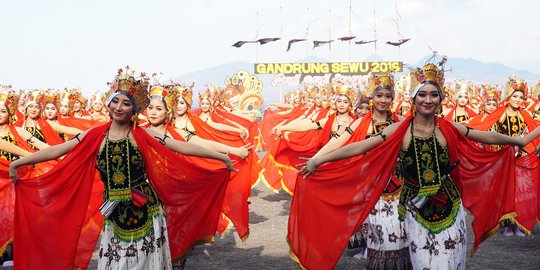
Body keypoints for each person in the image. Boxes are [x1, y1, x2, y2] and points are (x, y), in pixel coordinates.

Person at [290, 63, 540, 270]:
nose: (428, 100)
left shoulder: (447, 127)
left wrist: (516, 140)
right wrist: (317, 160)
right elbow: (359, 147)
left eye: (434, 94)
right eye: (422, 94)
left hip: (451, 209)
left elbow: (482, 135)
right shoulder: (400, 129)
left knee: (452, 263)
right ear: (413, 98)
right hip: (414, 208)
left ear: (440, 98)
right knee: (423, 264)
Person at [9, 69, 236, 270]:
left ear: (134, 109)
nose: (119, 107)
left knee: (145, 262)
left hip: (146, 210)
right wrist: (18, 163)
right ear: (109, 104)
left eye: (126, 103)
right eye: (115, 102)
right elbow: (57, 151)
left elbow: (182, 146)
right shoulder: (95, 136)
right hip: (114, 213)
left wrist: (222, 158)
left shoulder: (143, 135)